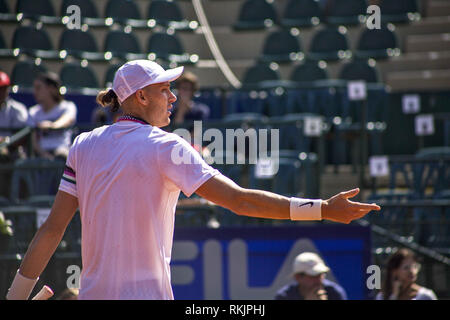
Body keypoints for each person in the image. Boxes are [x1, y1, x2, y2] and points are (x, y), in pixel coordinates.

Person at [5, 59, 381, 300]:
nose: (172, 97)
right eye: (164, 89)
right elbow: (240, 201)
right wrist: (321, 210)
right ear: (138, 97)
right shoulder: (167, 145)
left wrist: (16, 296)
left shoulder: (83, 145)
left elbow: (53, 229)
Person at [28, 71, 77, 160]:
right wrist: (45, 155)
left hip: (62, 150)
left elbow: (67, 120)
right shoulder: (33, 112)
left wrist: (51, 125)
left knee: (62, 156)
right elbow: (33, 141)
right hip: (40, 154)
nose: (35, 92)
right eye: (34, 88)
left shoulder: (68, 106)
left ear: (51, 89)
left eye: (38, 88)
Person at [0, 71, 30, 197]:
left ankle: (18, 199)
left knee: (20, 160)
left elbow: (22, 136)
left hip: (14, 152)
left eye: (3, 88)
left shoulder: (17, 109)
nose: (1, 92)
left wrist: (5, 142)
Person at [275, 252, 347, 300]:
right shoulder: (284, 296)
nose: (318, 280)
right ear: (298, 277)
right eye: (313, 276)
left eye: (320, 275)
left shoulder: (334, 292)